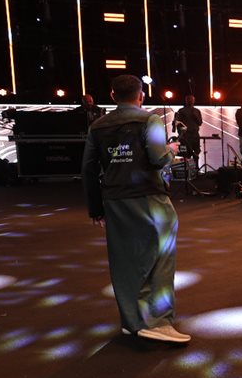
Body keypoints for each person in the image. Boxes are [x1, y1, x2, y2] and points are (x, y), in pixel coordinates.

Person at [81, 74, 190, 344]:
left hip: (114, 201)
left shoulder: (97, 126)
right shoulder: (149, 120)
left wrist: (96, 208)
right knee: (160, 258)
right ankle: (158, 322)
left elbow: (88, 169)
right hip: (150, 199)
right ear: (141, 95)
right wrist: (171, 149)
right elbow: (158, 158)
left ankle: (132, 321)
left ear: (112, 95)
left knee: (125, 262)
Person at [173, 94, 203, 165]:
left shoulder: (197, 111)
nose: (190, 101)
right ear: (186, 101)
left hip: (195, 136)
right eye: (189, 100)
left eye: (192, 100)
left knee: (196, 153)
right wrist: (180, 133)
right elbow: (177, 123)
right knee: (185, 154)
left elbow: (200, 123)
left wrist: (195, 116)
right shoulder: (181, 111)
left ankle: (196, 168)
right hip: (185, 137)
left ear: (194, 101)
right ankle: (187, 169)